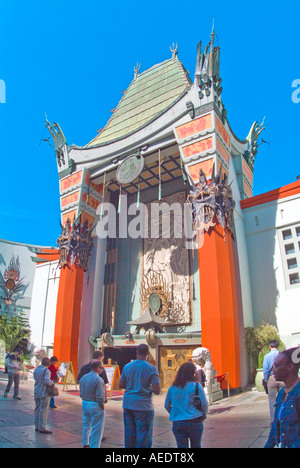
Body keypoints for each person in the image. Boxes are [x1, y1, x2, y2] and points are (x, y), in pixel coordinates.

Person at [119, 343, 161, 448]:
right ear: (148, 354)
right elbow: (157, 390)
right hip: (144, 406)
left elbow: (121, 384)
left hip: (128, 404)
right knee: (144, 436)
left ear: (136, 352)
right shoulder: (152, 369)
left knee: (129, 434)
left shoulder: (127, 367)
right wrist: (148, 387)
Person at [164, 362, 208, 448]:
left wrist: (175, 413)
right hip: (195, 420)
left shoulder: (172, 388)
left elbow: (167, 405)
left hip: (178, 422)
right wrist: (203, 414)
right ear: (193, 374)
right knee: (196, 445)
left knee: (181, 446)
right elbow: (204, 404)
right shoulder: (196, 386)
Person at [265, 347, 300, 448]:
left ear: (290, 366)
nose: (272, 369)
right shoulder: (281, 393)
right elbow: (275, 428)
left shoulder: (298, 392)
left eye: (276, 365)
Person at [80, 359, 106, 448]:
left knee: (86, 424)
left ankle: (85, 443)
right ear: (98, 368)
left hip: (85, 402)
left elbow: (81, 393)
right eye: (102, 368)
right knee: (97, 428)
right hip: (95, 404)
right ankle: (94, 446)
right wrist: (102, 406)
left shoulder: (84, 377)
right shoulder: (99, 379)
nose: (102, 370)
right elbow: (100, 397)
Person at [263, 340, 284, 422]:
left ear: (270, 346)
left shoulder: (267, 356)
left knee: (272, 400)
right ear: (277, 346)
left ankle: (273, 420)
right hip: (281, 378)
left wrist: (266, 379)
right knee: (282, 398)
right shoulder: (282, 355)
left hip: (272, 378)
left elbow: (265, 369)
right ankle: (282, 417)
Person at [33, 357, 55, 434]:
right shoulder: (46, 371)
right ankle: (42, 427)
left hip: (36, 390)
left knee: (37, 409)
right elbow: (47, 381)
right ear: (48, 364)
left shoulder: (36, 370)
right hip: (44, 392)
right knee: (44, 410)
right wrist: (52, 383)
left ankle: (36, 426)